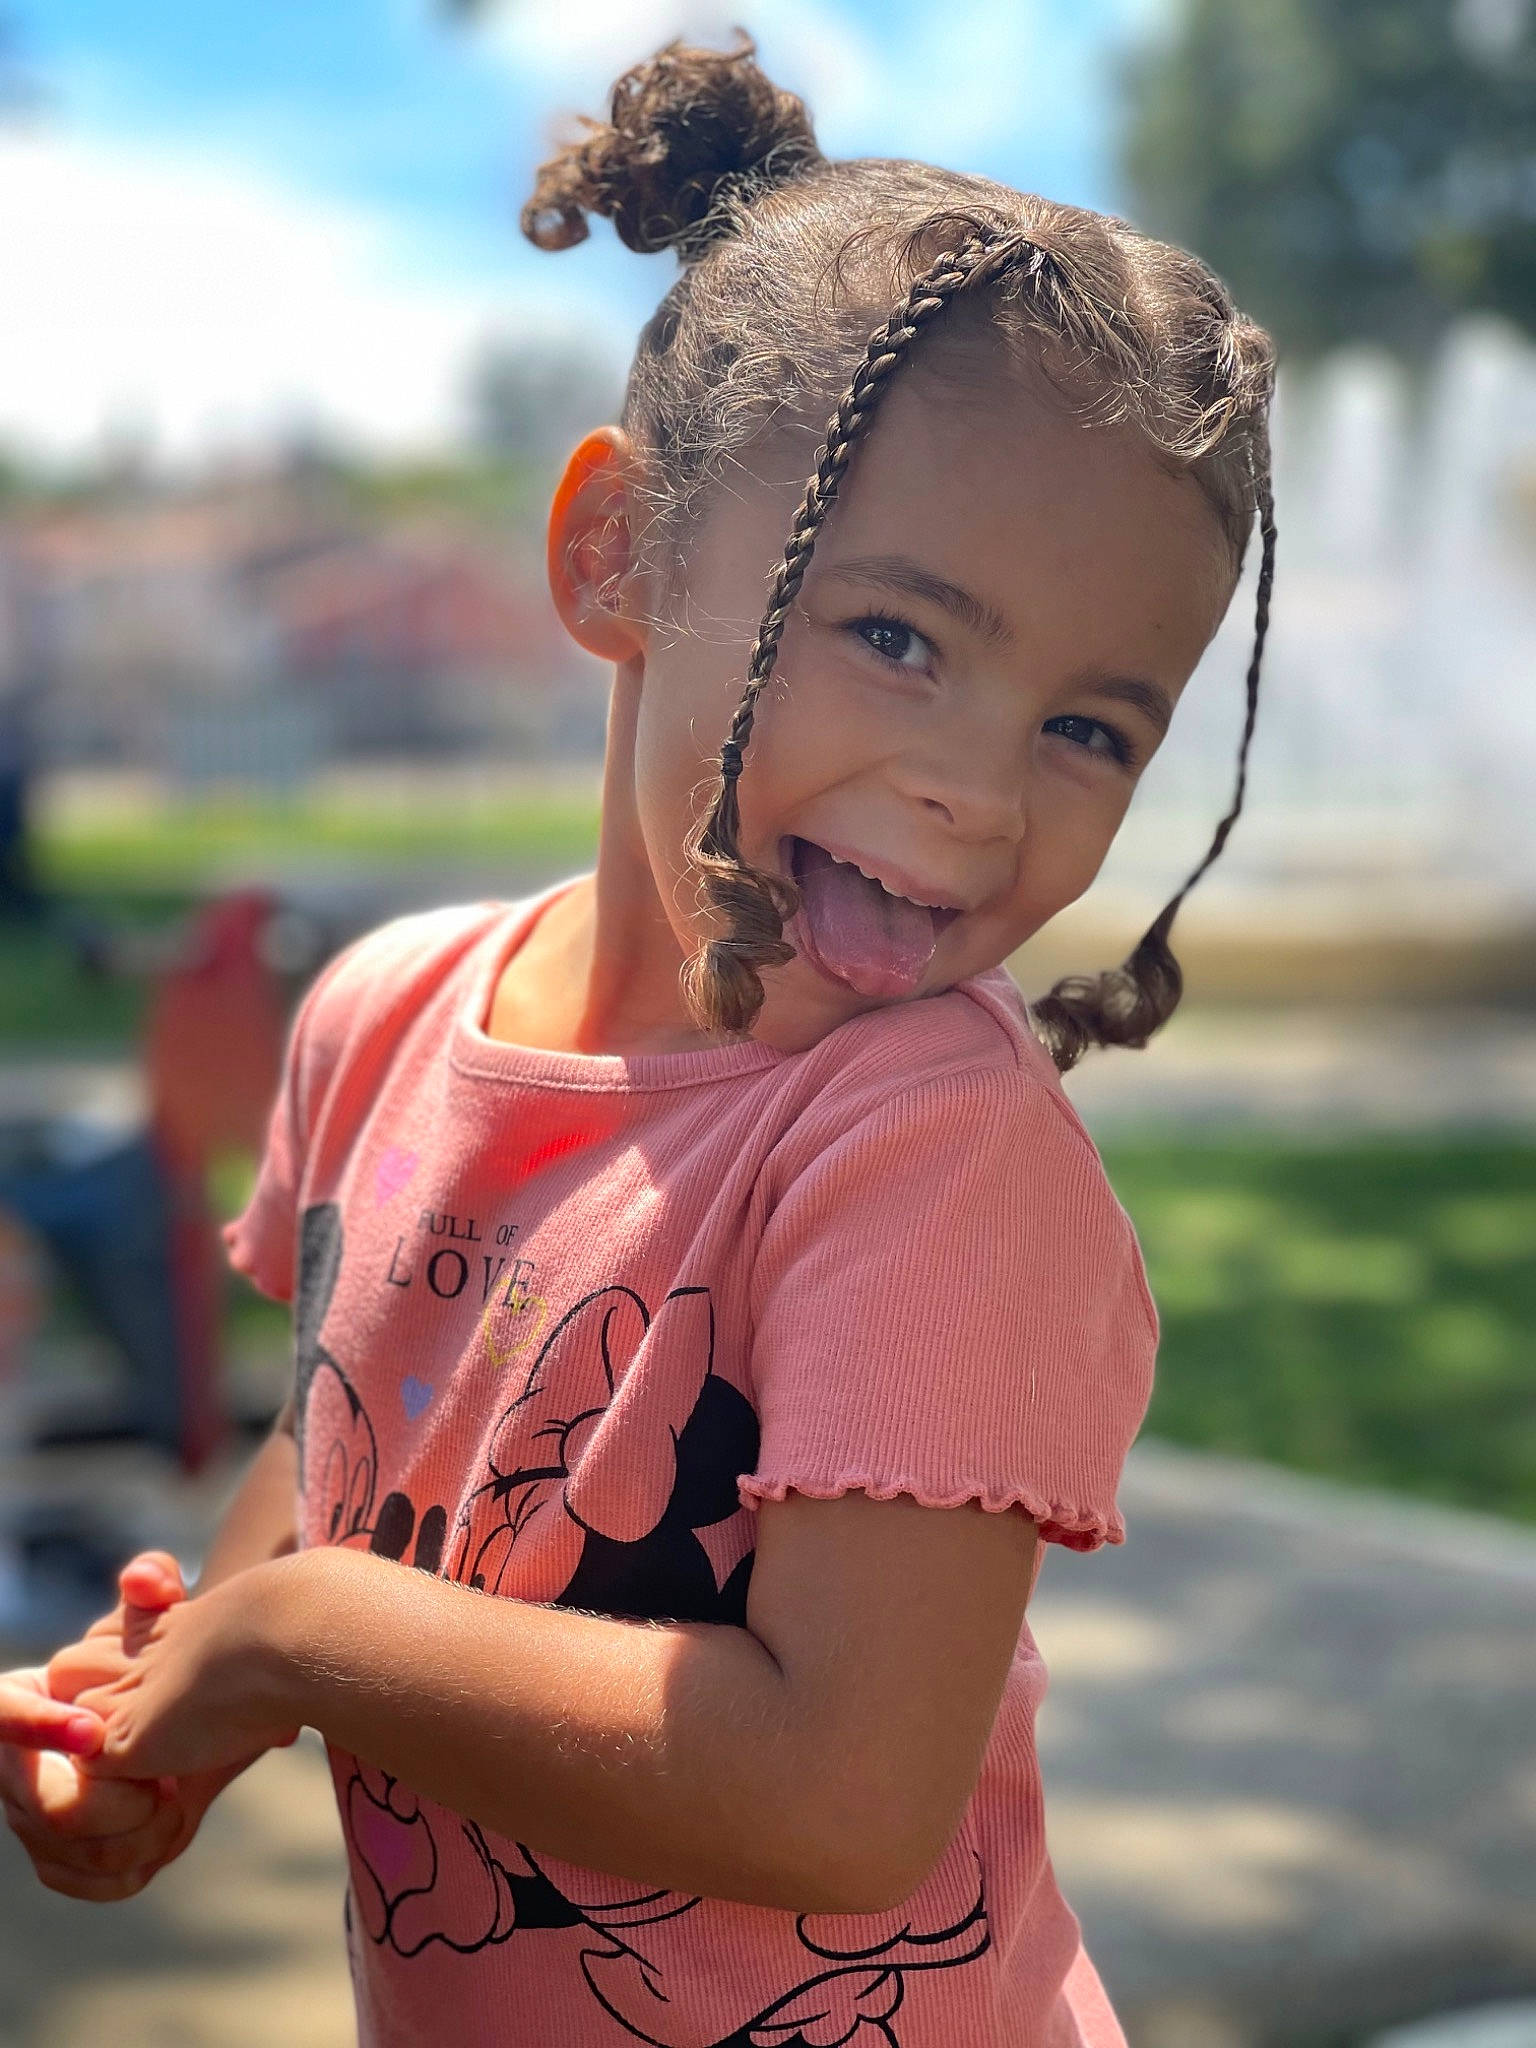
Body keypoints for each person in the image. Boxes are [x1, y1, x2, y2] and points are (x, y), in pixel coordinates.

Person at [0, 38, 1276, 2048]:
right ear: (622, 555)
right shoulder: (381, 1017)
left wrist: (310, 1639)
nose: (973, 789)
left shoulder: (929, 1152)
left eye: (1088, 726)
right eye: (899, 636)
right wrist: (167, 1704)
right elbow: (332, 1452)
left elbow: (846, 1796)